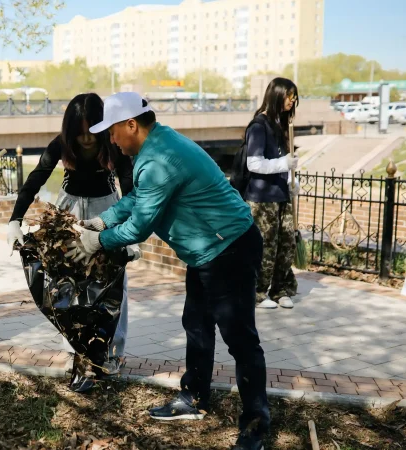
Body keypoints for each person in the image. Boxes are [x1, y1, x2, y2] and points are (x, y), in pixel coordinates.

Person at [67, 92, 269, 450]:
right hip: (207, 252)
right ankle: (193, 398)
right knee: (196, 324)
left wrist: (96, 241)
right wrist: (101, 220)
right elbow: (135, 199)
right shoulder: (158, 145)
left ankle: (256, 422)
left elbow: (139, 228)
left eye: (112, 131)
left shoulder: (159, 159)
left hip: (229, 249)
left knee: (240, 339)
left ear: (131, 125)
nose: (110, 140)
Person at [7, 93, 139, 380]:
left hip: (108, 209)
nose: (87, 140)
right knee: (66, 281)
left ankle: (112, 352)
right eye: (79, 135)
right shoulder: (60, 144)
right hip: (69, 209)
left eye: (91, 132)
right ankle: (76, 351)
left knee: (112, 281)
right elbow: (36, 178)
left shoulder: (111, 143)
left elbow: (129, 185)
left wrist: (131, 234)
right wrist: (14, 219)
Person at [244, 77, 300, 309]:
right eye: (289, 96)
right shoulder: (259, 126)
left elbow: (283, 163)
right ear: (276, 94)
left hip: (281, 195)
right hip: (261, 198)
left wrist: (291, 183)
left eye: (294, 97)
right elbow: (254, 164)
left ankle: (280, 289)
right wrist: (282, 164)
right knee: (264, 247)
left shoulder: (282, 125)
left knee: (286, 243)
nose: (292, 101)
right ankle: (257, 292)